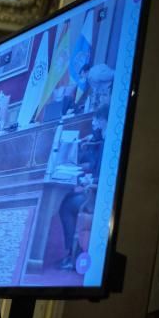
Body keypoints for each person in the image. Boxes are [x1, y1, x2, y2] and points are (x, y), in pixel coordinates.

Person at [58, 104, 108, 270]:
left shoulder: (107, 140)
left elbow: (106, 173)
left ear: (103, 120)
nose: (96, 125)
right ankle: (73, 250)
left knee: (67, 205)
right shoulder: (103, 138)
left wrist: (91, 181)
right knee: (67, 198)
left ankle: (73, 253)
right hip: (95, 186)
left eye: (98, 121)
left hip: (98, 195)